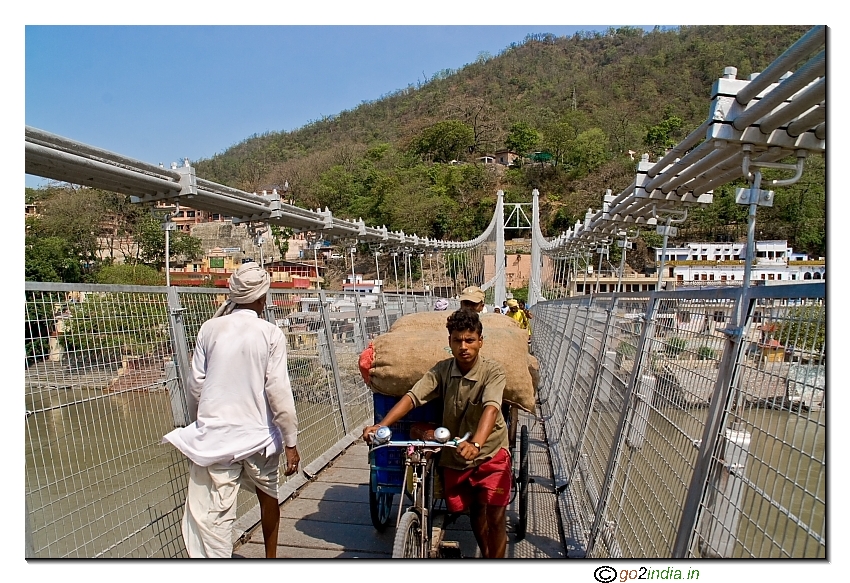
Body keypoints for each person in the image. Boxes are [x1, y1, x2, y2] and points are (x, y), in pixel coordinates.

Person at [162, 262, 300, 559]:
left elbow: (196, 384)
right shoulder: (271, 334)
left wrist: (200, 424)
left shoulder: (209, 329)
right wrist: (291, 442)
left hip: (218, 438)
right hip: (259, 439)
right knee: (269, 495)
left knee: (216, 514)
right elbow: (278, 392)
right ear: (263, 297)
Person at [362, 310, 510, 558]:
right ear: (449, 342)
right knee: (473, 510)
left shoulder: (493, 372)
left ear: (480, 341)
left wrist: (476, 442)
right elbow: (413, 397)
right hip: (455, 453)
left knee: (495, 516)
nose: (464, 346)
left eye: (470, 340)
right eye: (457, 340)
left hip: (489, 453)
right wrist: (381, 425)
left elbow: (492, 409)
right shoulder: (442, 370)